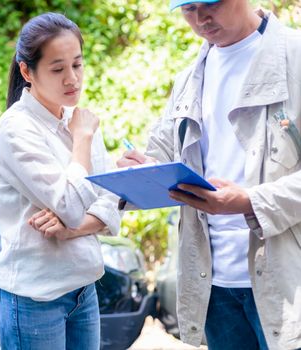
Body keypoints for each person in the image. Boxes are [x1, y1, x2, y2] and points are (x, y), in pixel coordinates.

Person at [117, 0, 301, 349]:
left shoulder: (295, 58)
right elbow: (164, 151)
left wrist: (250, 201)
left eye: (211, 4)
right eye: (188, 8)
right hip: (214, 283)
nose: (201, 18)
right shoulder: (190, 78)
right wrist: (141, 169)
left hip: (288, 282)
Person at [0, 12, 121, 349]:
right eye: (58, 69)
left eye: (77, 65)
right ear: (26, 71)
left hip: (83, 288)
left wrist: (70, 229)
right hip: (34, 297)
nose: (72, 79)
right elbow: (73, 205)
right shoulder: (16, 129)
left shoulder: (80, 122)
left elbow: (110, 200)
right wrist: (82, 143)